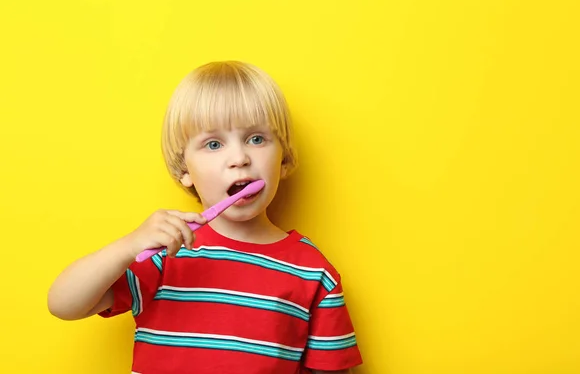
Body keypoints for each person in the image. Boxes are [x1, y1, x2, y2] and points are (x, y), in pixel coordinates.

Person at [48, 61, 362, 373]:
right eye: (213, 144)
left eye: (256, 139)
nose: (239, 159)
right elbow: (63, 304)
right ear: (184, 170)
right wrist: (130, 245)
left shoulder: (314, 272)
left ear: (284, 159)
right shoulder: (167, 253)